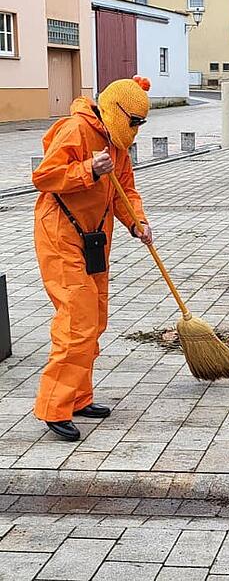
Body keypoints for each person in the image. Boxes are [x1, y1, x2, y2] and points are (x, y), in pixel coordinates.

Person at [32, 76, 153, 441]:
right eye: (132, 122)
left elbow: (125, 192)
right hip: (61, 235)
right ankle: (54, 406)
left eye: (139, 124)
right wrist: (89, 170)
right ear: (116, 111)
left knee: (96, 318)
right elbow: (45, 177)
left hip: (94, 239)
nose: (134, 130)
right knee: (77, 321)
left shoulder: (117, 146)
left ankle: (79, 397)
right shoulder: (74, 130)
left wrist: (138, 222)